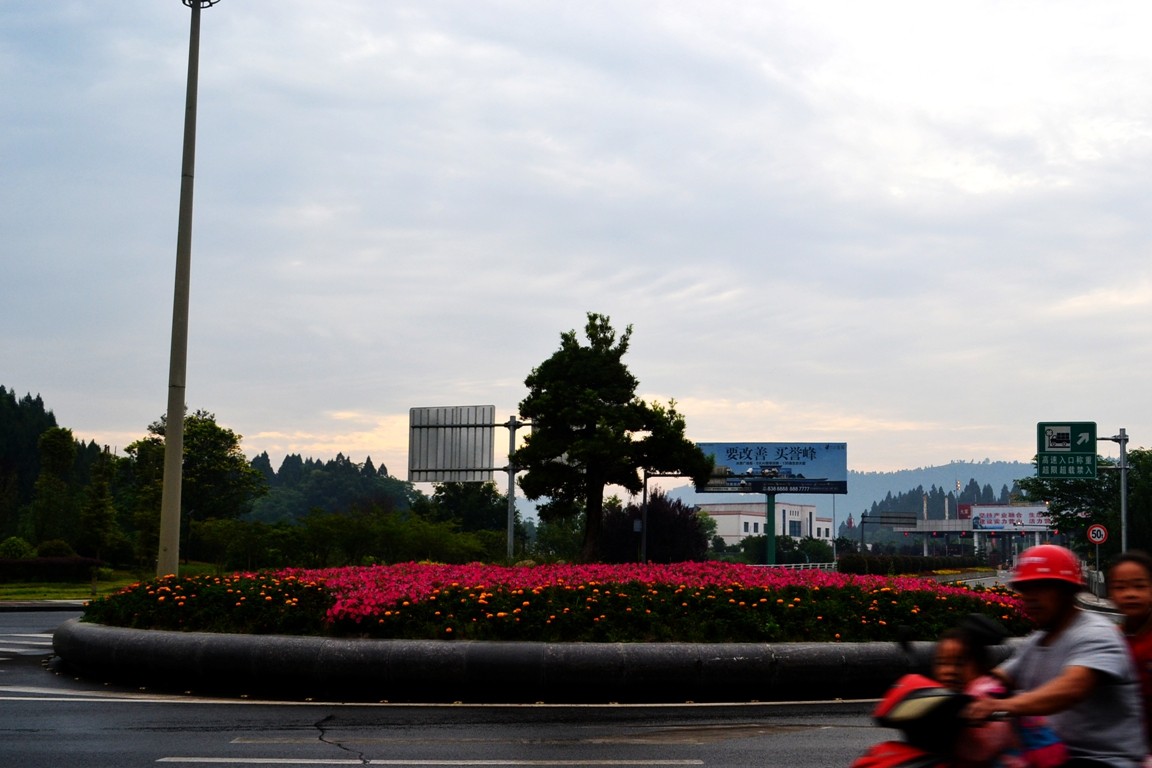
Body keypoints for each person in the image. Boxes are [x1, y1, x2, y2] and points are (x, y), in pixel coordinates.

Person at [966, 544, 1146, 768]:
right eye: (1025, 590)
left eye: (1041, 588)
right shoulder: (1036, 642)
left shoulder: (1097, 634)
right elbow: (998, 678)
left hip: (1101, 759)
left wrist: (1000, 706)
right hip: (1050, 754)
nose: (1030, 598)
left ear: (1068, 591)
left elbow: (1071, 689)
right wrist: (964, 693)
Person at [934, 615, 1064, 768]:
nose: (949, 671)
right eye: (943, 663)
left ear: (979, 665)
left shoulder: (986, 694)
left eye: (959, 663)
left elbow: (982, 749)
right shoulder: (947, 694)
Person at [1108, 550, 1152, 747]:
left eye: (1139, 586)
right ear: (1111, 594)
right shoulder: (1110, 639)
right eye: (1120, 587)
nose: (1130, 594)